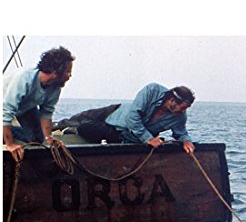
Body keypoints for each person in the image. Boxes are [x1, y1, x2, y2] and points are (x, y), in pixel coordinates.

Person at [59, 83, 196, 154]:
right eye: (183, 107)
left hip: (117, 134)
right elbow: (132, 117)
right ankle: (57, 127)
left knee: (85, 127)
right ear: (172, 100)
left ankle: (75, 130)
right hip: (116, 113)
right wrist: (148, 139)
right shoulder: (152, 90)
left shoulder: (180, 117)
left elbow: (181, 132)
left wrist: (187, 141)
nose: (184, 112)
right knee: (80, 118)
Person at [3, 46, 75, 162]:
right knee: (14, 134)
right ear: (56, 71)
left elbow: (46, 113)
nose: (70, 75)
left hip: (25, 108)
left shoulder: (55, 87)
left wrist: (49, 138)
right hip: (4, 105)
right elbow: (6, 112)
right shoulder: (24, 78)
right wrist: (10, 145)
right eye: (68, 71)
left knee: (38, 139)